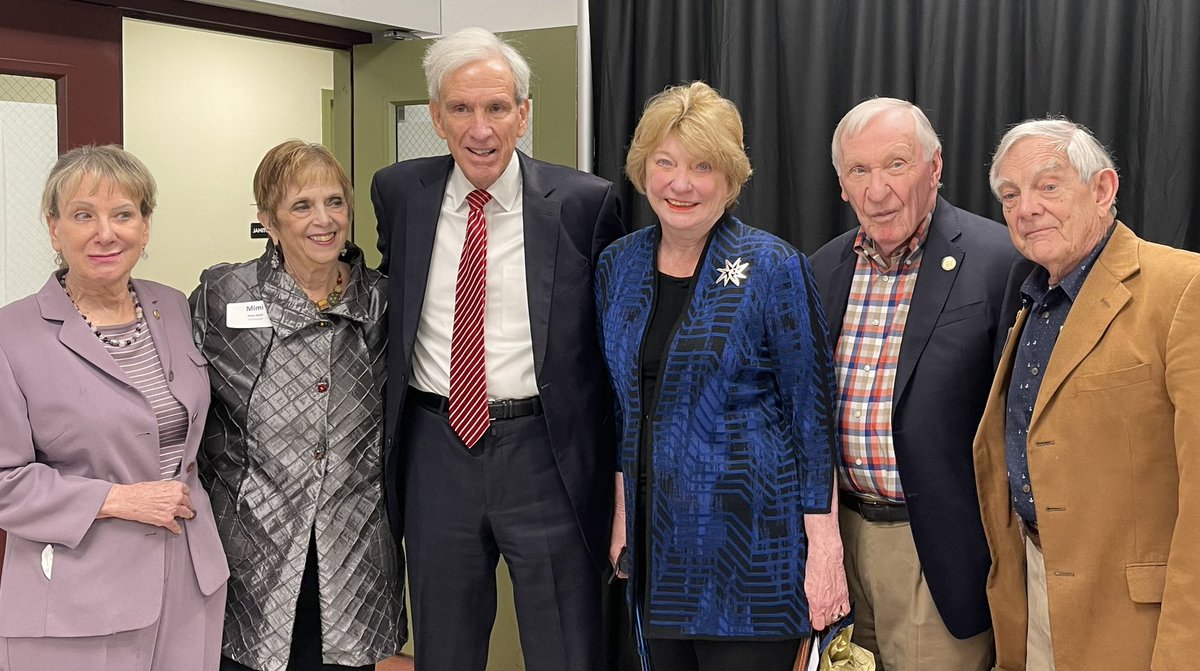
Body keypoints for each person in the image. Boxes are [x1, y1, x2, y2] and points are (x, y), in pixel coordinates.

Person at [370, 27, 626, 671]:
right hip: (435, 450)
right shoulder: (399, 192)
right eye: (460, 108)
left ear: (524, 114)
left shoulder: (584, 203)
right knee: (445, 646)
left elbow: (611, 342)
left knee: (566, 645)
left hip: (548, 453)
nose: (479, 129)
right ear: (435, 116)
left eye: (496, 108)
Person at [596, 81, 849, 671]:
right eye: (666, 163)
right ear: (643, 168)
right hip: (655, 553)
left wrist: (825, 551)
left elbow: (812, 417)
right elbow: (620, 404)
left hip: (753, 556)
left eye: (702, 166)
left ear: (730, 179)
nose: (680, 184)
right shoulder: (619, 264)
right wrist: (620, 516)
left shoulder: (773, 266)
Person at [808, 98, 1029, 670]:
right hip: (841, 542)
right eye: (859, 171)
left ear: (935, 168)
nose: (877, 190)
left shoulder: (1000, 261)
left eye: (896, 165)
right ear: (841, 185)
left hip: (938, 551)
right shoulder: (820, 269)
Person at [976, 118, 1200, 670]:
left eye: (1047, 186)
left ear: (1103, 190)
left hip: (1135, 621)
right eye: (1010, 195)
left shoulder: (1182, 288)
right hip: (1035, 589)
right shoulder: (1031, 302)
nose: (1026, 208)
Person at [0, 145, 228, 669]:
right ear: (54, 229)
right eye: (84, 215)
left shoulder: (171, 306)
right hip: (79, 591)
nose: (106, 233)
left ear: (145, 228)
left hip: (189, 583)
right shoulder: (13, 336)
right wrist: (116, 500)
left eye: (123, 214)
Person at [191, 140, 406, 671]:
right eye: (302, 206)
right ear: (268, 218)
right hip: (251, 542)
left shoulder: (383, 300)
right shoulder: (224, 295)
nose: (324, 220)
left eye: (335, 202)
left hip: (353, 543)